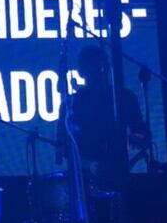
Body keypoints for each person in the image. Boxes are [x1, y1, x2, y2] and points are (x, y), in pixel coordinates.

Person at [58, 44, 150, 180]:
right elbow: (64, 148)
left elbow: (143, 135)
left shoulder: (124, 96)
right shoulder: (71, 104)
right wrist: (89, 165)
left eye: (101, 68)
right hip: (85, 180)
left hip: (120, 174)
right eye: (92, 69)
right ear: (81, 72)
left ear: (107, 69)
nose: (99, 73)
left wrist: (137, 137)